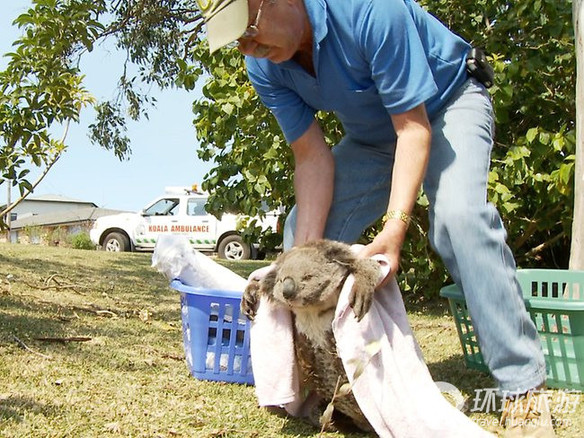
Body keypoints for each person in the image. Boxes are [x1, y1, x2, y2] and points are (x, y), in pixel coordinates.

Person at [197, 0, 554, 435]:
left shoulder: (370, 9)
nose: (248, 47)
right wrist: (300, 258)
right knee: (301, 240)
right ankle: (327, 380)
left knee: (460, 220)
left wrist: (393, 229)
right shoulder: (265, 66)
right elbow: (312, 159)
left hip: (446, 105)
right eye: (237, 41)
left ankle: (523, 388)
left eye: (249, 29)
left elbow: (414, 128)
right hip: (375, 138)